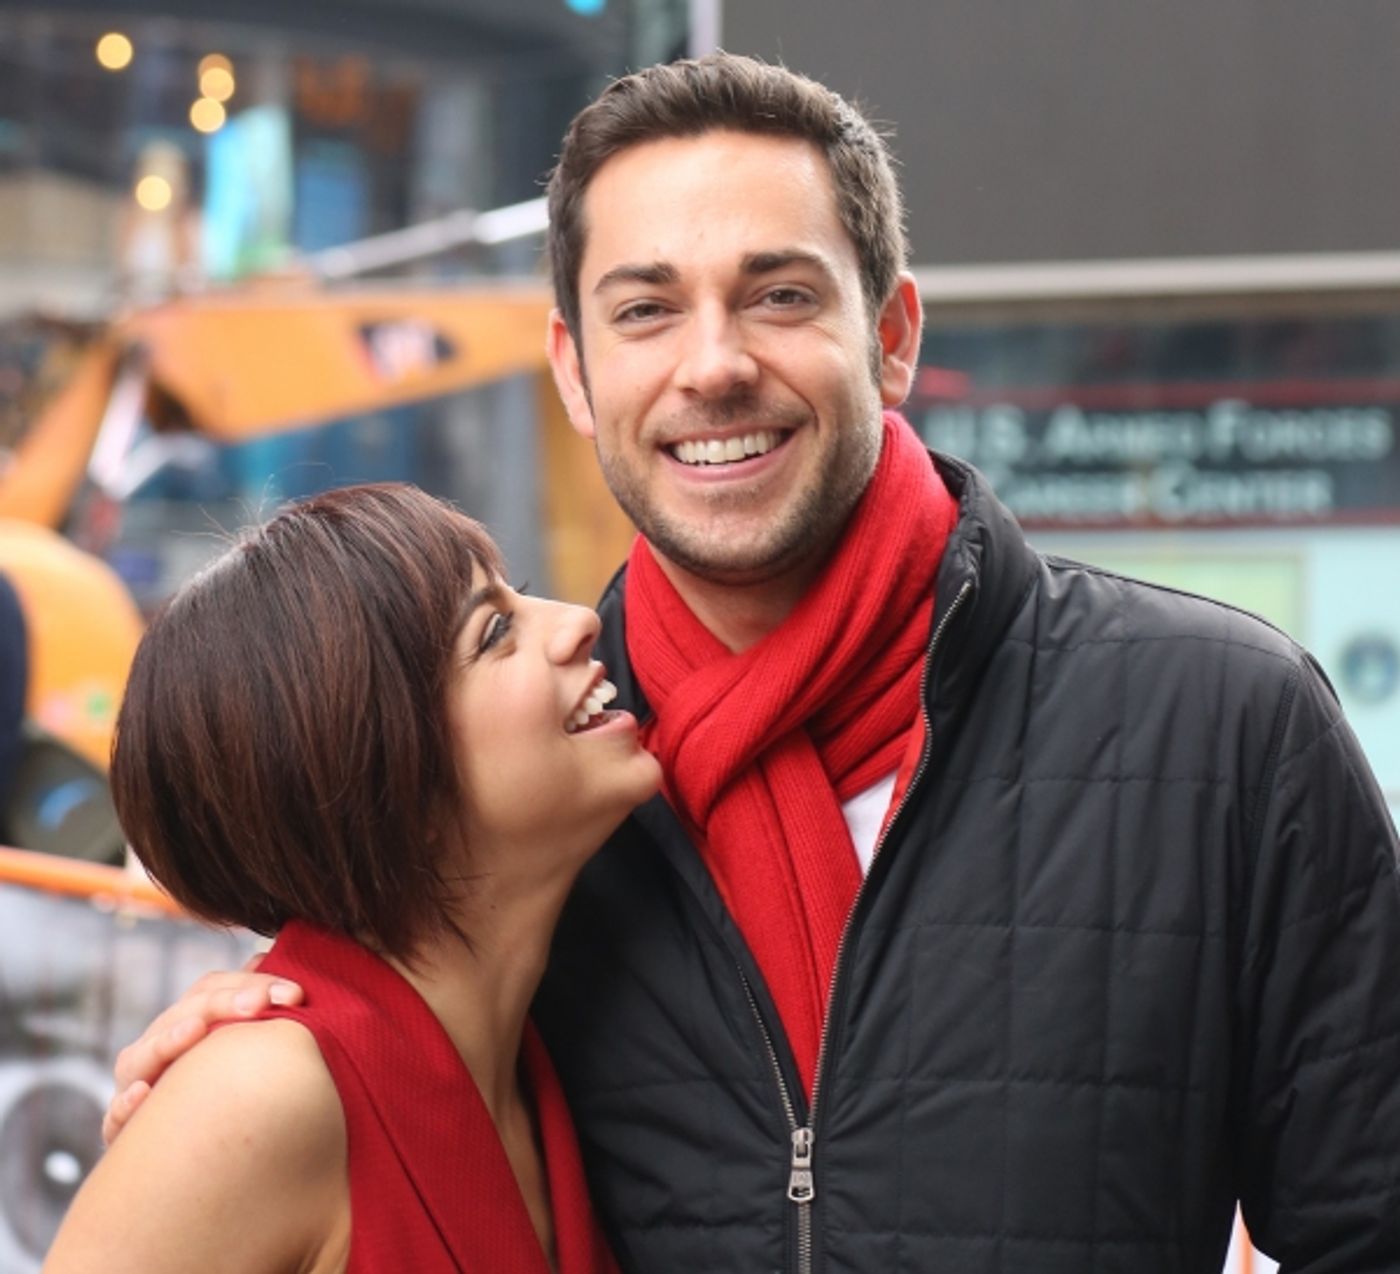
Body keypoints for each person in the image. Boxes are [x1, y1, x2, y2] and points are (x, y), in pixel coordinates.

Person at [104, 54, 1400, 1271]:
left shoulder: (1227, 727)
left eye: (779, 295)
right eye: (646, 309)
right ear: (573, 366)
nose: (713, 364)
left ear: (892, 335)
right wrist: (234, 1074)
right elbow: (359, 1012)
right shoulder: (524, 798)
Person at [48, 483, 657, 1272]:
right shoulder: (261, 1093)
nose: (580, 620)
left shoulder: (547, 1056)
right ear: (373, 765)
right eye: (496, 631)